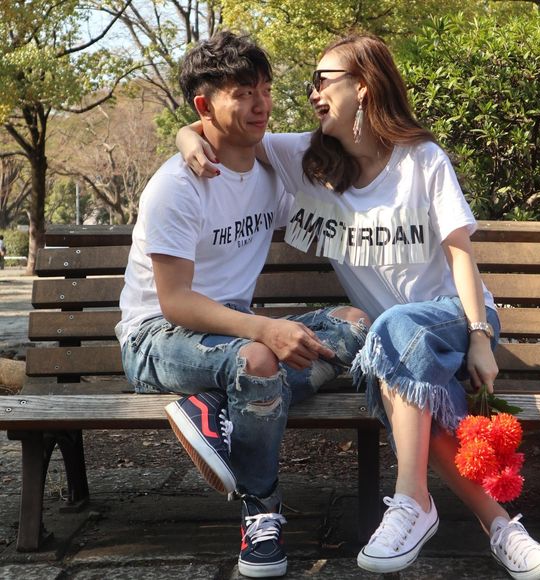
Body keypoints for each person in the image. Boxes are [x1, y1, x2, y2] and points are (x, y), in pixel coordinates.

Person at [176, 33, 540, 580]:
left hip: (454, 319)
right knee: (401, 369)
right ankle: (504, 530)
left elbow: (460, 254)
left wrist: (479, 336)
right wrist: (185, 135)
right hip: (392, 346)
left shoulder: (421, 159)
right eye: (310, 84)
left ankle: (412, 501)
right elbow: (224, 126)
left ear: (363, 86)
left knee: (394, 330)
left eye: (322, 80)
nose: (313, 93)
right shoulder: (307, 161)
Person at [116, 31, 368, 579]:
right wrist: (263, 330)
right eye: (243, 93)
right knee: (258, 360)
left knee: (353, 326)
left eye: (266, 90)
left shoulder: (271, 172)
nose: (261, 105)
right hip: (154, 339)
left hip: (229, 336)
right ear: (204, 106)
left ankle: (215, 406)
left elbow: (347, 152)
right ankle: (261, 513)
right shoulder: (176, 187)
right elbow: (174, 302)